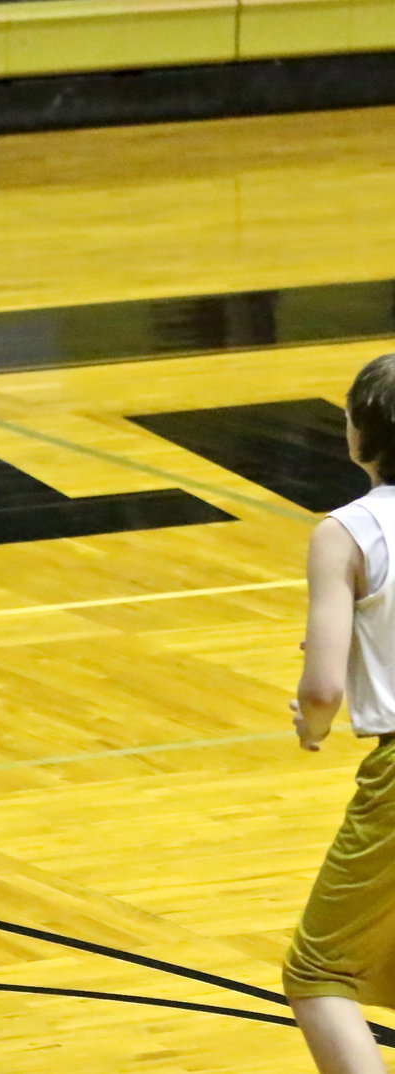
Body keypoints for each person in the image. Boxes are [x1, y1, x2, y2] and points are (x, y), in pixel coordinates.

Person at [283, 351, 395, 1074]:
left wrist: (312, 724)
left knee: (318, 971)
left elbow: (321, 688)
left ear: (356, 435)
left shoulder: (347, 532)